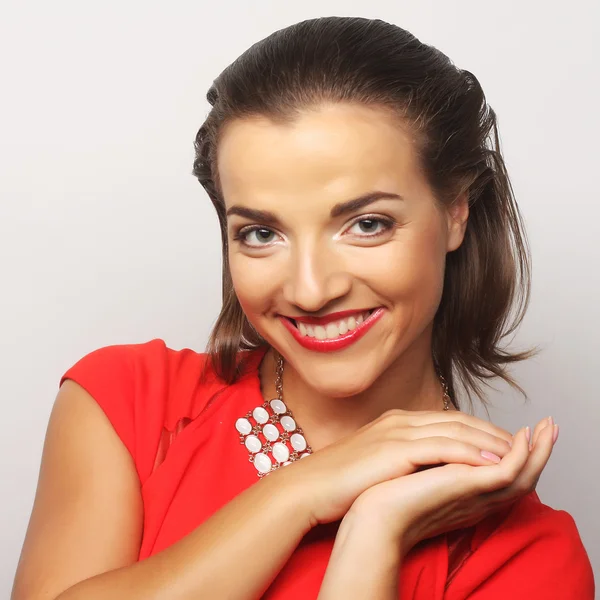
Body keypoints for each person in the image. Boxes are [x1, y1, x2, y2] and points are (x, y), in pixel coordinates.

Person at [11, 15, 594, 600]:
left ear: (456, 213)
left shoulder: (524, 556)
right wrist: (303, 491)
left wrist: (374, 535)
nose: (311, 291)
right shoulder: (127, 407)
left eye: (367, 224)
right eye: (262, 234)